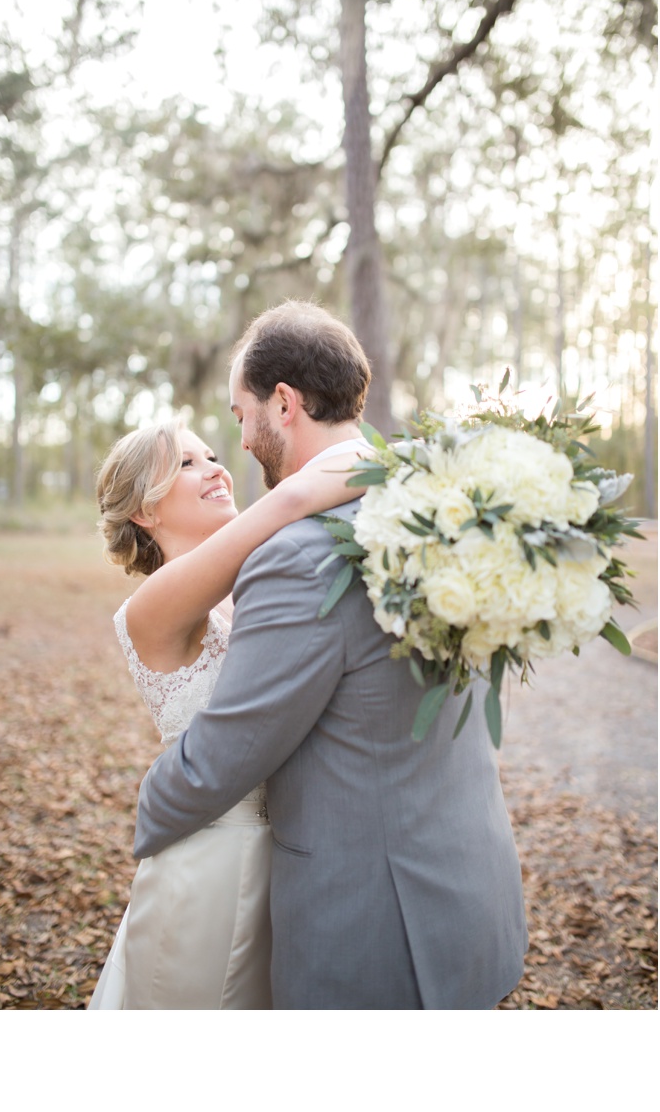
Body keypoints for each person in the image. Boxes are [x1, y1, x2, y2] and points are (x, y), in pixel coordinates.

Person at [130, 300, 526, 1009]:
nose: (241, 441)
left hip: (376, 929)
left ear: (283, 403)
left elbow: (224, 755)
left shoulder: (300, 556)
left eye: (241, 414)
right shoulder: (438, 509)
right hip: (474, 890)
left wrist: (148, 819)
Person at [86, 418, 362, 1008]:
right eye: (186, 464)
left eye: (210, 455)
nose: (215, 468)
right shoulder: (150, 607)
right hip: (211, 862)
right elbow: (289, 500)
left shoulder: (265, 581)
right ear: (144, 512)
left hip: (296, 855)